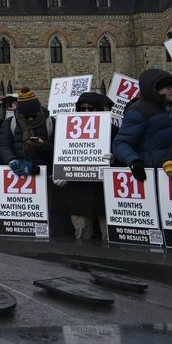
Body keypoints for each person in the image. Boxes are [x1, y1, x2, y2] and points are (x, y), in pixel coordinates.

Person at [50, 91, 113, 240]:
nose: (86, 112)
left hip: (103, 194)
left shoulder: (111, 129)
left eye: (90, 109)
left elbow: (123, 156)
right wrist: (60, 173)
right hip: (78, 194)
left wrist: (114, 160)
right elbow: (58, 153)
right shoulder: (63, 130)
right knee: (82, 235)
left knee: (108, 236)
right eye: (82, 108)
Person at [113, 70, 172, 179]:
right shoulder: (138, 111)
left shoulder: (169, 108)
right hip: (151, 174)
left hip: (171, 170)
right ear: (155, 89)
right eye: (167, 87)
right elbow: (120, 143)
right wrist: (134, 161)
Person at [0, 93, 54, 177]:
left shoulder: (51, 123)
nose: (31, 119)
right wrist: (11, 159)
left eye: (34, 116)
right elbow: (3, 144)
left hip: (44, 173)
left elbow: (58, 151)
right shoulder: (10, 123)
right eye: (26, 117)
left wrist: (43, 145)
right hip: (18, 171)